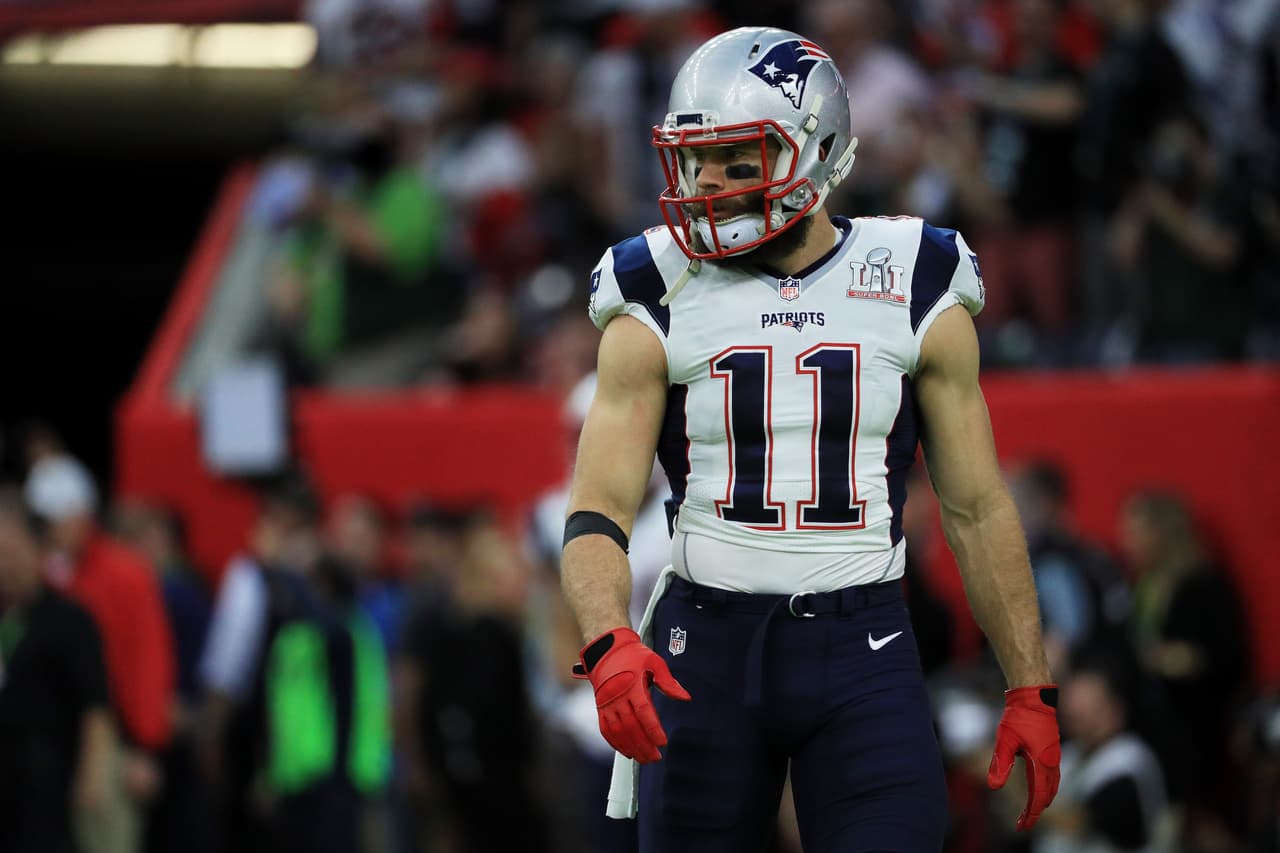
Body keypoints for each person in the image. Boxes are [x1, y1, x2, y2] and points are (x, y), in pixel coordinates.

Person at [560, 27, 1061, 851]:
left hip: (861, 645)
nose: (706, 184)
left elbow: (974, 506)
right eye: (693, 161)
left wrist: (1029, 684)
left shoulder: (915, 274)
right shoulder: (651, 285)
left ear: (818, 152)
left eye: (736, 160)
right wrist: (609, 637)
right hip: (702, 648)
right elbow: (598, 509)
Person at [23, 454, 175, 853]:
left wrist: (144, 745)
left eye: (53, 521)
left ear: (81, 514)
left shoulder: (124, 573)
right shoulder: (49, 574)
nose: (49, 532)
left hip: (112, 744)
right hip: (54, 748)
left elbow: (147, 662)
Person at [0, 493, 114, 853]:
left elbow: (95, 704)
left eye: (12, 552)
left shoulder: (69, 619)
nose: (6, 565)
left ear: (37, 552)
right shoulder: (6, 617)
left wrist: (92, 775)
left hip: (47, 776)